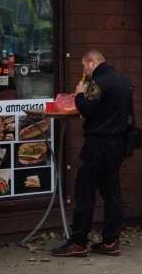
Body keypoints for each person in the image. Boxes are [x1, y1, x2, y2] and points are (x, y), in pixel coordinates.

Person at [52, 49, 133, 257]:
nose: (84, 70)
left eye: (84, 65)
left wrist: (79, 93)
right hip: (118, 143)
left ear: (92, 62)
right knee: (112, 192)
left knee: (84, 191)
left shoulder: (97, 82)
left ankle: (78, 242)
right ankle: (111, 241)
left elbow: (86, 108)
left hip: (97, 144)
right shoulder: (123, 81)